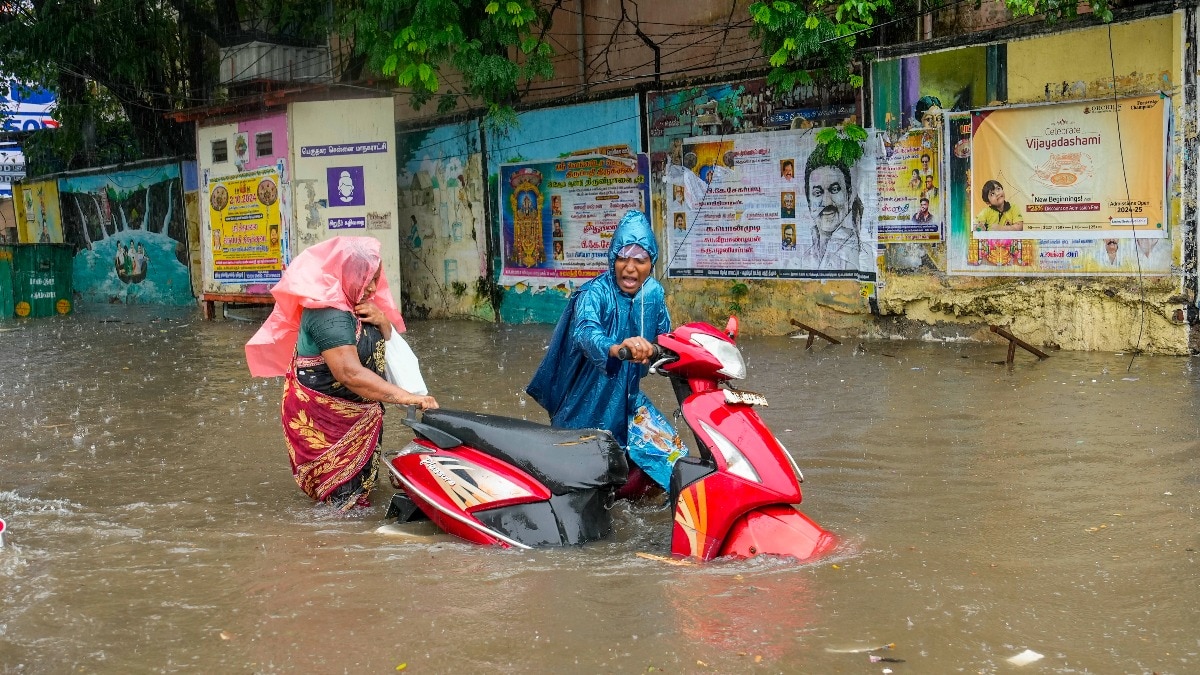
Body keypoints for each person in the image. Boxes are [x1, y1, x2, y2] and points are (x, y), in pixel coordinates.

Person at [245, 236, 439, 510]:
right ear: (346, 276)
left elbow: (382, 347)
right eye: (367, 279)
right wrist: (407, 397)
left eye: (376, 280)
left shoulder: (356, 304)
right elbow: (349, 373)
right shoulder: (328, 314)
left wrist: (383, 322)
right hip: (328, 422)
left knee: (361, 493)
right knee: (342, 507)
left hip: (361, 414)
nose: (372, 288)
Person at [526, 210, 686, 493]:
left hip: (630, 402)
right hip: (587, 406)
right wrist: (616, 348)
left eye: (640, 260)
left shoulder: (654, 294)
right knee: (580, 488)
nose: (630, 268)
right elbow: (586, 333)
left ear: (652, 263)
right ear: (612, 259)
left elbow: (668, 340)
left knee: (678, 468)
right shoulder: (593, 293)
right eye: (623, 258)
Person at [801, 150, 866, 271]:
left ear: (849, 194)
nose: (827, 202)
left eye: (835, 189)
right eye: (817, 193)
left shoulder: (860, 250)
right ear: (808, 201)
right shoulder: (805, 259)